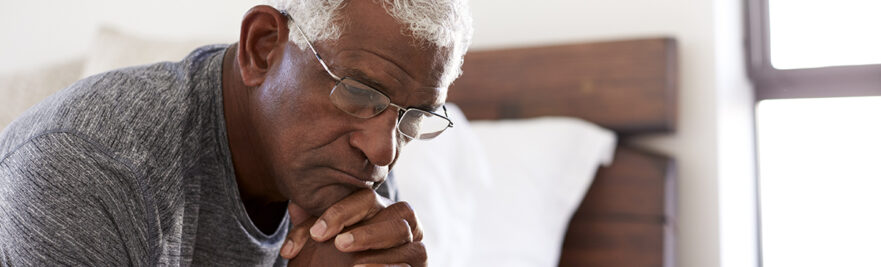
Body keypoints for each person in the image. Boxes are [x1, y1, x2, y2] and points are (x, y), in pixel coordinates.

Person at [0, 0, 473, 266]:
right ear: (262, 48)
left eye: (413, 117)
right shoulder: (83, 166)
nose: (384, 151)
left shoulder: (355, 167)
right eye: (359, 91)